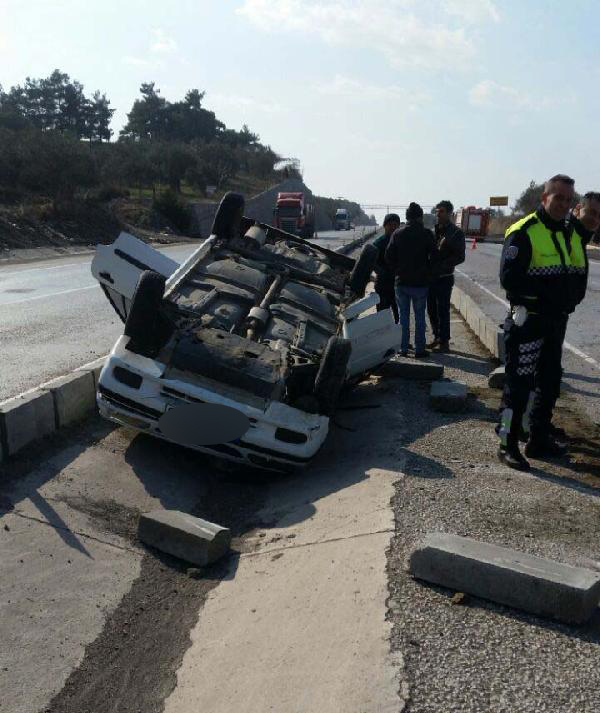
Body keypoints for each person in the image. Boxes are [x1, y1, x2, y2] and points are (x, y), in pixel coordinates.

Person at [497, 174, 577, 471]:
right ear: (544, 199)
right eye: (559, 198)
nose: (564, 204)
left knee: (550, 382)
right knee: (517, 388)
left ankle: (538, 438)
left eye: (569, 200)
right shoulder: (524, 231)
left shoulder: (565, 232)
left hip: (554, 324)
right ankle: (506, 443)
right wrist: (547, 296)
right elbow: (509, 279)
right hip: (528, 323)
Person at [533, 191, 600, 447]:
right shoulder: (566, 233)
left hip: (556, 314)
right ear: (578, 209)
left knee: (547, 375)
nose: (594, 218)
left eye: (599, 215)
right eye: (591, 212)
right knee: (545, 376)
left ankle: (539, 426)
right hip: (544, 315)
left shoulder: (578, 235)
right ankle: (535, 435)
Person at [385, 202, 436, 358]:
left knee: (403, 317)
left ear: (407, 218)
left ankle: (403, 348)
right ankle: (420, 349)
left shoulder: (397, 234)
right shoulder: (427, 234)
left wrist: (397, 270)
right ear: (420, 217)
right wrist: (428, 272)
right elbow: (435, 257)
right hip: (421, 283)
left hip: (401, 283)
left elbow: (388, 256)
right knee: (420, 317)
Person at [427, 200, 465, 352]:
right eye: (437, 212)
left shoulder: (456, 233)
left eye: (441, 211)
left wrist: (442, 265)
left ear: (450, 213)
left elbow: (460, 257)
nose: (438, 214)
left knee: (442, 309)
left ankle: (444, 342)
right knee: (431, 309)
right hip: (431, 277)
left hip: (445, 277)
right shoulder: (433, 231)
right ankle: (437, 336)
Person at [372, 213, 401, 323]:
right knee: (382, 315)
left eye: (396, 225)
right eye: (390, 225)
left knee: (399, 315)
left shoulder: (401, 242)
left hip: (398, 284)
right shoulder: (378, 243)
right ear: (385, 226)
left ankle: (399, 333)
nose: (393, 227)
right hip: (383, 285)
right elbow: (372, 263)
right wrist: (382, 272)